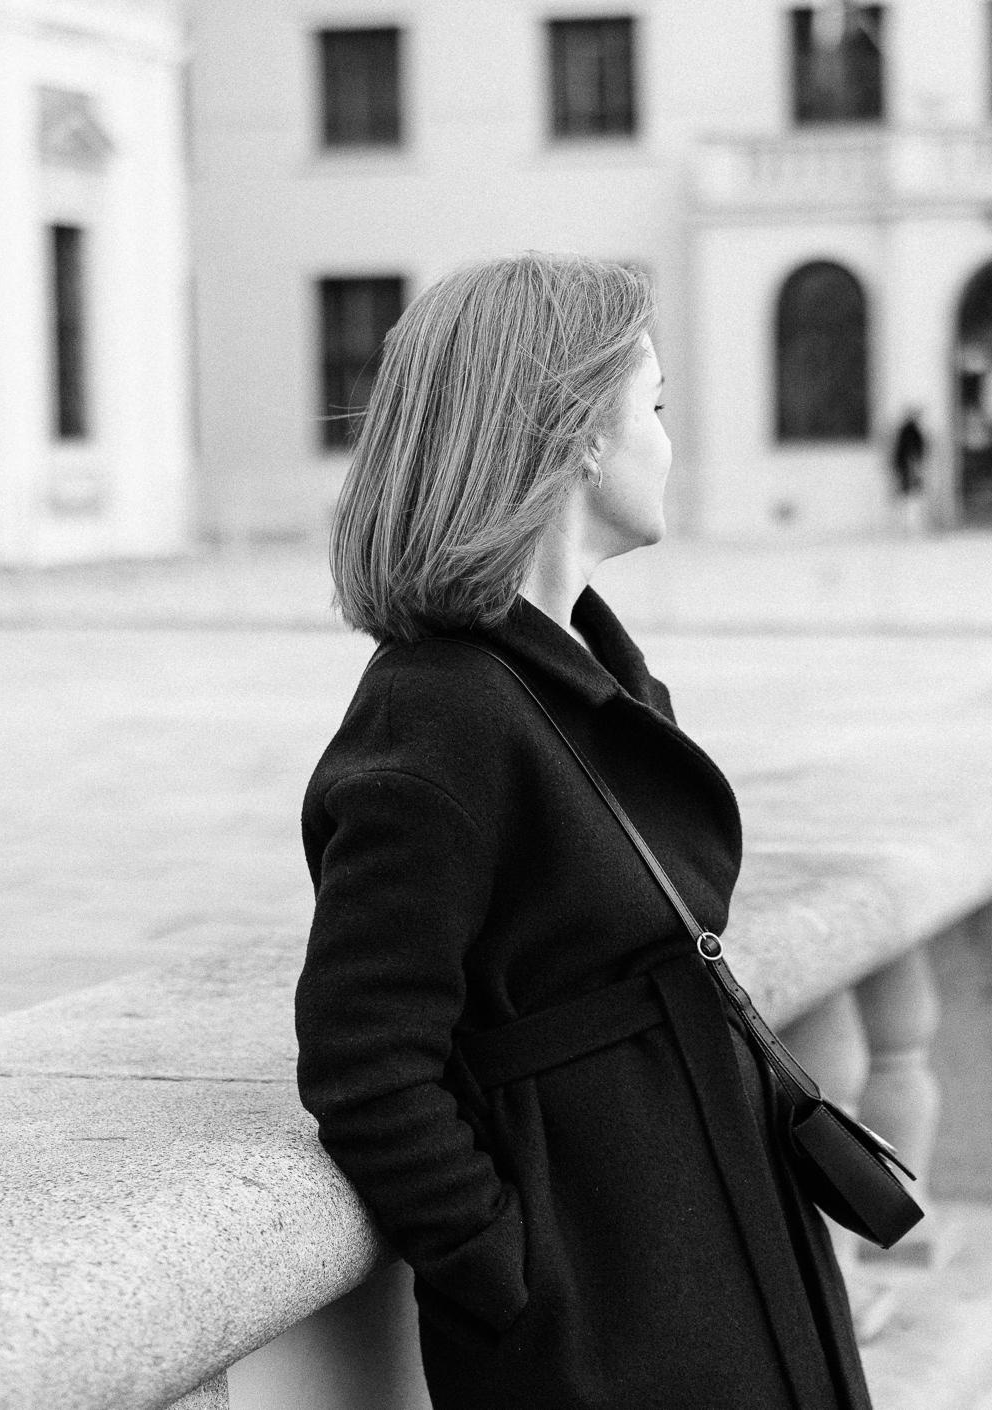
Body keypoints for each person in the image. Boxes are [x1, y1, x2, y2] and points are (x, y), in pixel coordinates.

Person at [295, 253, 872, 1409]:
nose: (669, 440)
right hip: (604, 1316)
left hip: (713, 1253)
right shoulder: (441, 710)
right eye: (651, 408)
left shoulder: (578, 672)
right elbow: (364, 1058)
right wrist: (511, 1275)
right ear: (576, 437)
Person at [890, 408, 929, 533]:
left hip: (907, 466)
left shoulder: (906, 431)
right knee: (911, 494)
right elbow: (911, 452)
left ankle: (908, 524)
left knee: (908, 494)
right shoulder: (911, 432)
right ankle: (910, 524)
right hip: (909, 467)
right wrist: (915, 467)